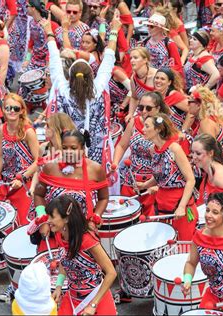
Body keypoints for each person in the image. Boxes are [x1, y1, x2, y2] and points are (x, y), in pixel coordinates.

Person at [42, 14, 120, 166]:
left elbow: (54, 60)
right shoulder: (99, 88)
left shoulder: (62, 89)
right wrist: (115, 30)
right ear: (91, 76)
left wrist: (49, 31)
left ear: (70, 78)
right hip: (96, 153)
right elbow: (109, 58)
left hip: (69, 150)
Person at [33, 129, 109, 247]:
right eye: (64, 148)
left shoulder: (96, 169)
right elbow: (38, 195)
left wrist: (95, 218)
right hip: (53, 231)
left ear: (82, 149)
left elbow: (103, 198)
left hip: (83, 232)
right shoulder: (50, 167)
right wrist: (43, 220)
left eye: (73, 148)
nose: (68, 152)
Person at [49, 195, 117, 316]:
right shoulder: (60, 235)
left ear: (66, 219)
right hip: (72, 298)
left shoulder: (87, 240)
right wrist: (59, 286)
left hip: (95, 298)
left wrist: (93, 305)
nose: (48, 220)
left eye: (52, 217)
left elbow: (111, 273)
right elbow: (64, 262)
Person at [141, 113, 198, 241]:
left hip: (180, 204)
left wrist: (182, 207)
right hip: (162, 205)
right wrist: (145, 185)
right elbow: (161, 176)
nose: (143, 129)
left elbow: (190, 179)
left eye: (147, 126)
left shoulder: (174, 149)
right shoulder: (152, 149)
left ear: (158, 129)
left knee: (183, 247)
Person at [113, 92, 171, 217]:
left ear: (158, 109)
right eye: (140, 107)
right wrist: (115, 163)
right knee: (126, 216)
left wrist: (157, 184)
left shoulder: (165, 128)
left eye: (148, 108)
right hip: (131, 180)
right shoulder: (134, 122)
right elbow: (122, 145)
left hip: (153, 184)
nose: (143, 111)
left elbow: (169, 161)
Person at [0, 93, 39, 225]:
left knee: (22, 223)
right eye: (8, 108)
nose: (11, 111)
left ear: (22, 111)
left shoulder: (28, 132)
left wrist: (21, 177)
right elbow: (0, 156)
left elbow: (38, 162)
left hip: (24, 184)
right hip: (6, 182)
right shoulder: (1, 129)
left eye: (16, 108)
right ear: (3, 110)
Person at [185, 86, 223, 167]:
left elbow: (210, 149)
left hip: (219, 164)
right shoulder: (207, 118)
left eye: (190, 101)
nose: (187, 104)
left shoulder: (205, 122)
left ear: (198, 105)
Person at [127, 47, 156, 121]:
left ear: (145, 60)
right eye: (131, 58)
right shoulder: (133, 79)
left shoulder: (156, 76)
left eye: (135, 58)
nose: (132, 60)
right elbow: (134, 97)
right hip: (143, 112)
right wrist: (130, 113)